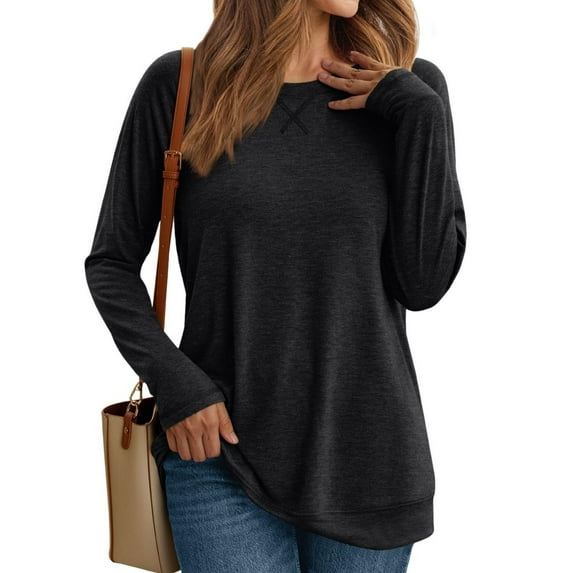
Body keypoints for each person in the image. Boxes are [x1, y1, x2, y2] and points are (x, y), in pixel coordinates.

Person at [85, 0, 467, 571]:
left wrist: (422, 117)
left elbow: (424, 284)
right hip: (218, 451)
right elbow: (112, 262)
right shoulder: (182, 85)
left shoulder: (408, 90)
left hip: (369, 457)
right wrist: (178, 384)